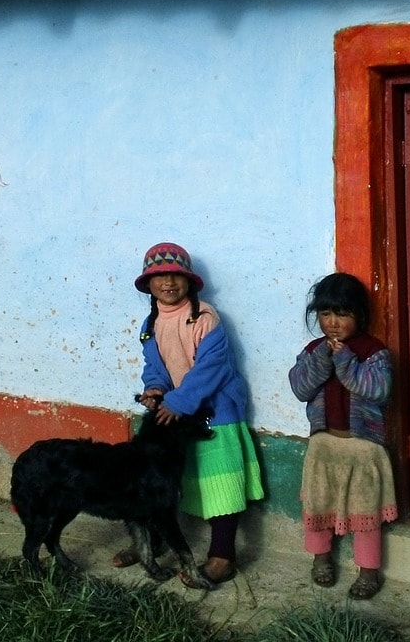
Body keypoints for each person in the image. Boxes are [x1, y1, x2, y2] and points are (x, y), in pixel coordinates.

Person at [116, 241, 265, 588]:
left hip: (216, 412)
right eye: (159, 276)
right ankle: (149, 544)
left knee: (221, 484)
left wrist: (177, 402)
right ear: (147, 285)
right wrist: (155, 389)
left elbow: (210, 369)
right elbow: (154, 366)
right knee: (158, 484)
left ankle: (223, 556)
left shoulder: (205, 317)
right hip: (176, 413)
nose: (168, 282)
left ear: (190, 281)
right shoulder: (150, 323)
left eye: (176, 275)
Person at [288, 272, 397, 600]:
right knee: (318, 505)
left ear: (360, 315)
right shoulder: (313, 350)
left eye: (343, 314)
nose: (333, 323)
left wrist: (346, 363)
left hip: (363, 448)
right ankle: (321, 560)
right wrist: (322, 360)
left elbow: (378, 390)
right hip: (324, 445)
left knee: (366, 513)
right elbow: (299, 387)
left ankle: (368, 571)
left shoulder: (373, 352)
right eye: (325, 314)